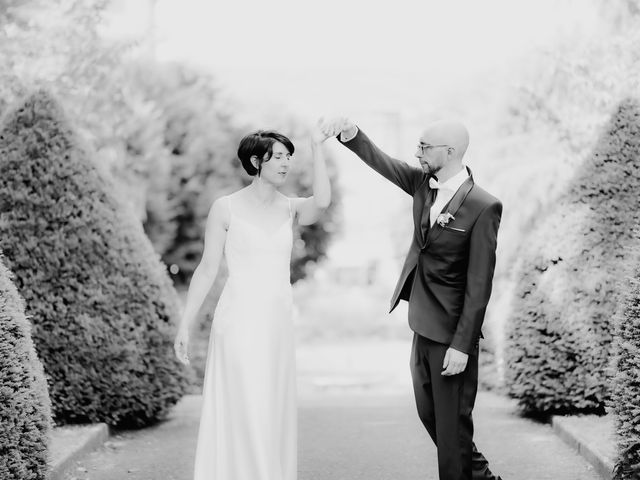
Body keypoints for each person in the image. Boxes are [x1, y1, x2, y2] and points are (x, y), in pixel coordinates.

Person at [322, 118, 503, 480]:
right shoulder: (422, 182)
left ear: (449, 152)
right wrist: (352, 136)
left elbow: (479, 283)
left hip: (452, 333)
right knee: (431, 414)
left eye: (424, 146)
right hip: (422, 321)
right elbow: (383, 163)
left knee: (452, 428)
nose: (416, 152)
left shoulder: (484, 206)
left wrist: (462, 345)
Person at [174, 125, 332, 480]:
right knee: (244, 403)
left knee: (269, 405)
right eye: (278, 157)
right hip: (238, 321)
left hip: (276, 324)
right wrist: (185, 323)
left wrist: (317, 148)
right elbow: (207, 269)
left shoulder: (291, 208)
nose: (286, 163)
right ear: (256, 161)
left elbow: (321, 201)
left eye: (289, 157)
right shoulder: (225, 208)